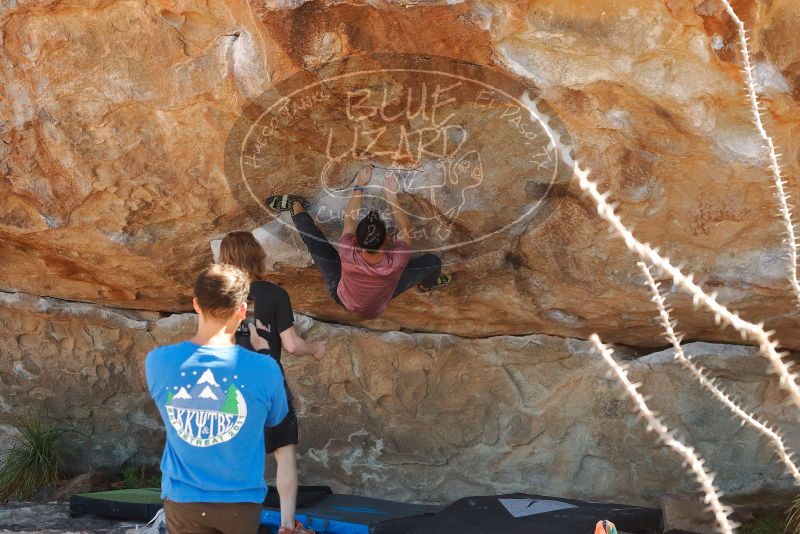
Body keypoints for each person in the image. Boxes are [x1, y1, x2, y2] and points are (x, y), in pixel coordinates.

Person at [144, 264, 314, 534]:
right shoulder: (265, 369)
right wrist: (264, 354)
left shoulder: (157, 362)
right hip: (240, 503)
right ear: (243, 311)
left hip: (183, 500)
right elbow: (277, 418)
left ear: (196, 304)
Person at [218, 231, 324, 533]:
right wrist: (315, 349)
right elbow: (291, 345)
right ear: (257, 255)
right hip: (267, 382)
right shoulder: (274, 294)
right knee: (284, 453)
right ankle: (288, 526)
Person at [266, 166, 452, 320]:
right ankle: (426, 286)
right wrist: (392, 197)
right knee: (433, 263)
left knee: (315, 243)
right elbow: (406, 230)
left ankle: (294, 205)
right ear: (387, 239)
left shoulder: (347, 249)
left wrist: (359, 186)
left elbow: (350, 220)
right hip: (378, 303)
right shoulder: (397, 261)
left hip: (344, 296)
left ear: (355, 239)